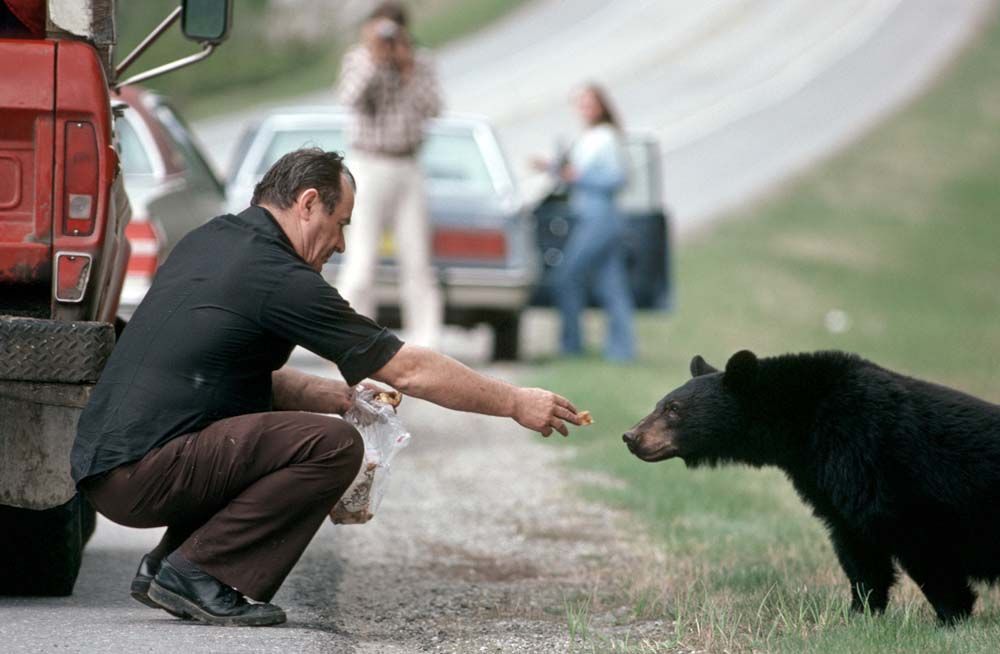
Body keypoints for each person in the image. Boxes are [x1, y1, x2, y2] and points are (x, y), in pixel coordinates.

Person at [70, 149, 584, 627]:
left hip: (108, 464)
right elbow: (405, 369)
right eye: (341, 225)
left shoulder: (214, 239)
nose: (340, 243)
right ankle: (198, 573)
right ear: (308, 203)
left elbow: (211, 371)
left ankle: (167, 567)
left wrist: (325, 394)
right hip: (143, 473)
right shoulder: (281, 276)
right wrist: (515, 400)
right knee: (332, 445)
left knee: (289, 425)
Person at [335, 1, 443, 349]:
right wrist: (375, 58)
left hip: (408, 163)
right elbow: (349, 98)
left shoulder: (419, 61)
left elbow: (434, 108)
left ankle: (426, 343)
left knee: (417, 259)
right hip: (369, 163)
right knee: (362, 259)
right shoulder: (359, 59)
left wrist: (407, 66)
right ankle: (351, 341)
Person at [534, 84, 636, 361]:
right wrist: (554, 168)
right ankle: (622, 352)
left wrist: (577, 176)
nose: (584, 108)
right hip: (587, 216)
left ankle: (571, 345)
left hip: (600, 218)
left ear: (601, 105)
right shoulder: (586, 138)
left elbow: (618, 178)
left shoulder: (606, 137)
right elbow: (571, 175)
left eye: (589, 102)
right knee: (612, 285)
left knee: (566, 276)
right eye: (580, 103)